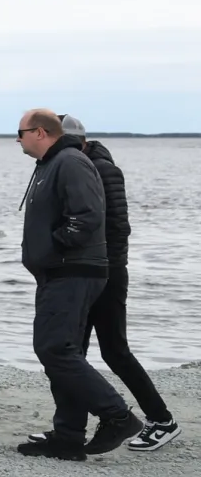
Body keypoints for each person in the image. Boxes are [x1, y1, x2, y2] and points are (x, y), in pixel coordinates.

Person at [15, 110, 143, 459]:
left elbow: (87, 215)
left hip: (72, 270)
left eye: (21, 132)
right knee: (65, 350)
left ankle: (117, 416)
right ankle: (68, 436)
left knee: (55, 349)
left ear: (40, 132)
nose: (17, 139)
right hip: (58, 271)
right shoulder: (50, 163)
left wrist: (56, 245)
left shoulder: (70, 162)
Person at [54, 116, 178, 451]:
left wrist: (102, 269)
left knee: (114, 351)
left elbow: (118, 229)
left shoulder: (102, 169)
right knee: (73, 351)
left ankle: (161, 419)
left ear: (75, 140)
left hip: (105, 272)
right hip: (87, 271)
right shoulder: (77, 165)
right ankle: (69, 431)